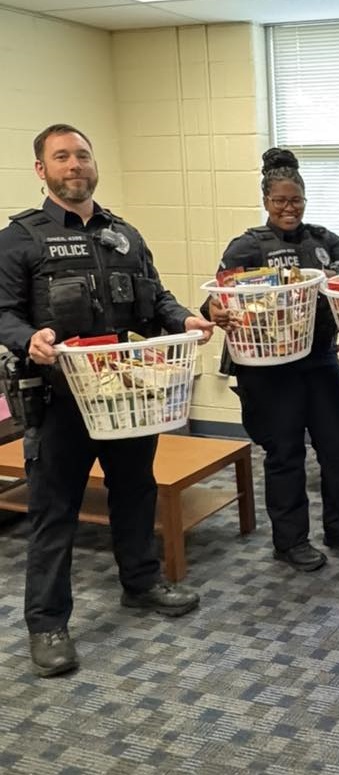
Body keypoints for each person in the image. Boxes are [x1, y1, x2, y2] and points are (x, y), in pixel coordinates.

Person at [0, 124, 216, 677]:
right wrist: (31, 339)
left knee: (135, 492)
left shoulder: (124, 234)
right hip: (59, 400)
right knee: (55, 513)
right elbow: (2, 313)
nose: (75, 165)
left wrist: (184, 317)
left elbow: (156, 296)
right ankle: (47, 623)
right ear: (41, 170)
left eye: (83, 155)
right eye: (62, 157)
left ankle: (140, 584)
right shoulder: (19, 239)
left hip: (124, 394)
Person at [206, 148, 339, 572]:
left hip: (320, 361)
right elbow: (215, 301)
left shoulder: (324, 240)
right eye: (280, 201)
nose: (289, 208)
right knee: (285, 456)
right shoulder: (246, 246)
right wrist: (217, 313)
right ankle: (290, 541)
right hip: (269, 371)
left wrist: (325, 279)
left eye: (296, 200)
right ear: (266, 201)